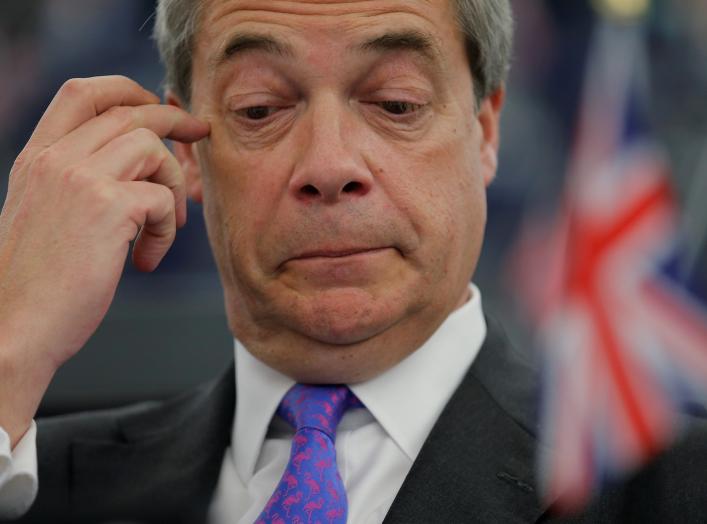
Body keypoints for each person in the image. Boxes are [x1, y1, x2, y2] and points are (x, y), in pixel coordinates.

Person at [0, 1, 706, 523]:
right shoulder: (35, 481)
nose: (329, 165)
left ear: (484, 131)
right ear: (185, 150)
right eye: (259, 108)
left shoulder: (667, 487)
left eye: (395, 103)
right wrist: (10, 346)